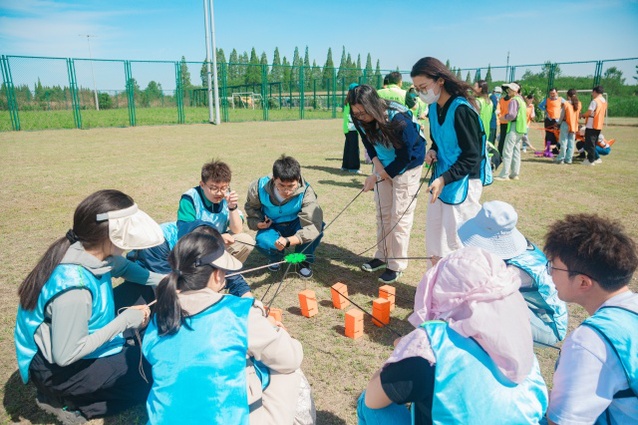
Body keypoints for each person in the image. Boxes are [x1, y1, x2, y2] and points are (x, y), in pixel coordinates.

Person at [14, 190, 165, 423]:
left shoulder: (90, 250)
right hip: (56, 370)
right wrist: (125, 321)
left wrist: (169, 282)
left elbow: (126, 269)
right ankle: (69, 403)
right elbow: (66, 355)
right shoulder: (74, 289)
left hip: (73, 335)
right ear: (110, 235)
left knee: (147, 290)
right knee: (151, 370)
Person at [357, 247, 548, 424]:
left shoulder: (430, 346)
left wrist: (406, 351)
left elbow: (373, 399)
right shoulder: (517, 334)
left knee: (367, 402)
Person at [143, 231, 314, 425]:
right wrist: (277, 332)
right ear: (217, 275)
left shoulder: (160, 316)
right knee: (288, 371)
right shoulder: (238, 312)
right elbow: (290, 359)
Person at [544, 214, 638, 424]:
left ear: (583, 282)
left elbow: (563, 421)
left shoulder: (590, 342)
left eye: (554, 267)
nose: (550, 274)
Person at [411, 56, 492, 268]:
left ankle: (460, 285)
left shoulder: (462, 110)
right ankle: (436, 282)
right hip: (442, 181)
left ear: (440, 80)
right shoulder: (434, 108)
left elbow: (472, 156)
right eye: (417, 89)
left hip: (462, 183)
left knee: (458, 243)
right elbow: (439, 140)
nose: (421, 93)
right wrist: (433, 150)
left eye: (423, 87)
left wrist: (444, 179)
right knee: (435, 239)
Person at [458, 200, 568, 347]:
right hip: (530, 308)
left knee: (481, 306)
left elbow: (477, 288)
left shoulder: (516, 270)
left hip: (548, 325)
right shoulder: (517, 252)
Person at [348, 84, 426, 283]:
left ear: (373, 106)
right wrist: (377, 169)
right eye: (355, 113)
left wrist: (377, 176)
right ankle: (382, 256)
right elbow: (368, 144)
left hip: (407, 167)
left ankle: (396, 264)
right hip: (382, 163)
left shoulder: (399, 120)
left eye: (363, 112)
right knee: (383, 213)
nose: (359, 117)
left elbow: (405, 156)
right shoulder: (357, 118)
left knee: (399, 216)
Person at [128, 220, 253, 298]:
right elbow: (169, 284)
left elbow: (227, 271)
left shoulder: (209, 237)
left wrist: (247, 297)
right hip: (146, 279)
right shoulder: (157, 243)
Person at [245, 155, 324, 279]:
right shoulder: (258, 187)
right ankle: (276, 258)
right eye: (281, 185)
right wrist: (258, 222)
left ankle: (302, 261)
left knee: (316, 232)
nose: (286, 191)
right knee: (263, 241)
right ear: (274, 179)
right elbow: (252, 208)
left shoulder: (307, 192)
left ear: (298, 179)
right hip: (272, 225)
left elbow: (312, 225)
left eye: (291, 186)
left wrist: (288, 241)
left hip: (297, 223)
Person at [495, 82, 527, 181]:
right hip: (520, 129)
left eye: (510, 89)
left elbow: (512, 115)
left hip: (514, 127)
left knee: (507, 151)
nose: (508, 91)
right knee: (516, 152)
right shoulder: (521, 100)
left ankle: (504, 175)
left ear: (515, 91)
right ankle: (514, 174)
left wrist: (503, 117)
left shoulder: (514, 100)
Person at [580, 85, 608, 166]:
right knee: (594, 143)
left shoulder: (595, 101)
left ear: (595, 92)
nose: (592, 94)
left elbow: (589, 112)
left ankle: (591, 160)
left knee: (590, 143)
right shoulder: (604, 101)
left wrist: (583, 115)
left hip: (592, 125)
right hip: (599, 124)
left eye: (593, 92)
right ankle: (592, 158)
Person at [555, 89, 581, 165]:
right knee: (571, 143)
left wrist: (558, 124)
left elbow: (562, 115)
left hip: (565, 124)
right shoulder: (578, 104)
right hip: (574, 125)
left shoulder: (566, 104)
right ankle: (569, 159)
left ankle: (561, 158)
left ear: (568, 95)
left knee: (563, 142)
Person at [341, 83, 362, 174]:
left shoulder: (347, 100)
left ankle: (345, 165)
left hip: (347, 128)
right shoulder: (354, 101)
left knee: (348, 147)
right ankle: (353, 167)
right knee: (354, 148)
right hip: (352, 127)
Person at [539, 88, 565, 157]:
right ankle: (548, 150)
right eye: (551, 93)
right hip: (549, 120)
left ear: (557, 93)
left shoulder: (561, 99)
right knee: (549, 135)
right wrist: (545, 110)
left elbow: (567, 105)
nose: (552, 95)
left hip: (557, 120)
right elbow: (540, 105)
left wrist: (562, 111)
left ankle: (556, 149)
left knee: (557, 135)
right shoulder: (547, 100)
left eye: (553, 93)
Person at [497, 85, 511, 155]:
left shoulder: (501, 100)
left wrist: (500, 117)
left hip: (503, 121)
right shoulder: (512, 100)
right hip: (509, 122)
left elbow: (498, 111)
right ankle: (503, 152)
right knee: (507, 139)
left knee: (502, 138)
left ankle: (500, 152)